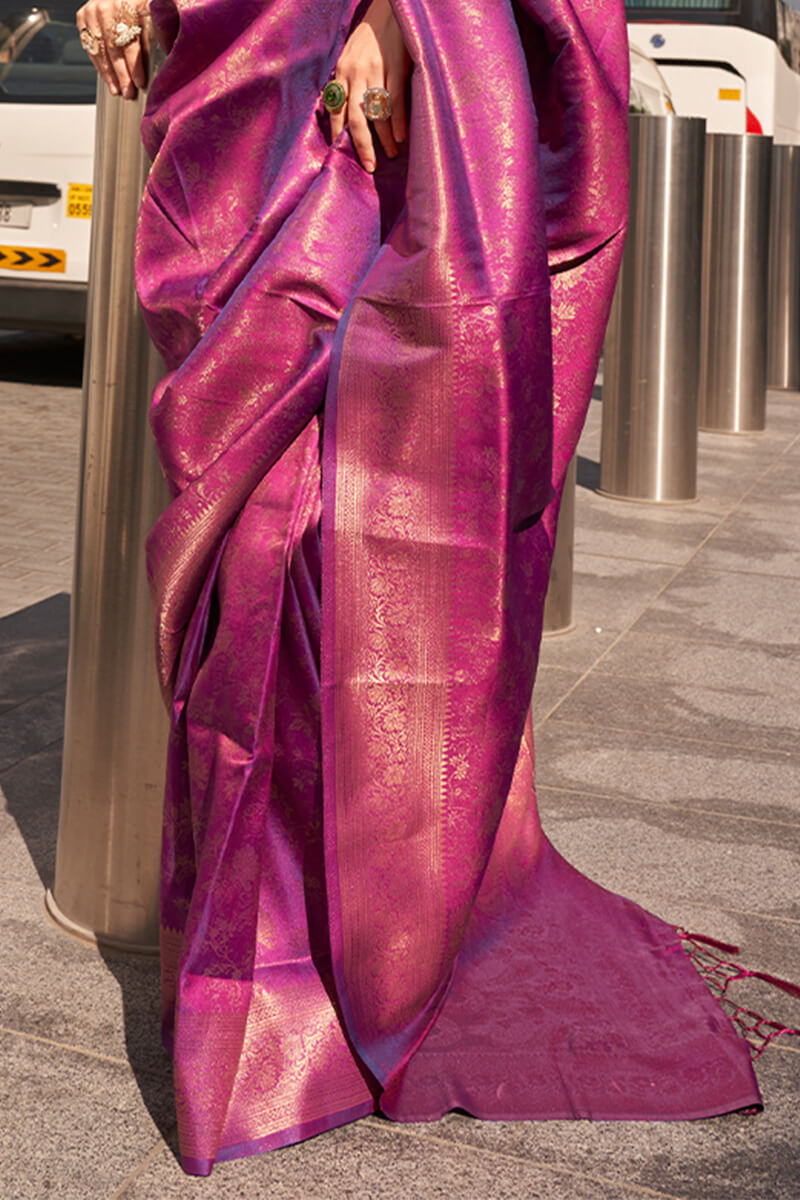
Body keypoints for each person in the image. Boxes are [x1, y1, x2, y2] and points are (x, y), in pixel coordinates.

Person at [76, 0, 778, 1178]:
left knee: (343, 511)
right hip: (226, 52)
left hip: (383, 44)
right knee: (246, 502)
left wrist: (395, 16)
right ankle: (259, 945)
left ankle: (341, 934)